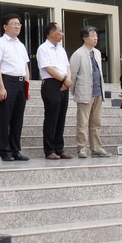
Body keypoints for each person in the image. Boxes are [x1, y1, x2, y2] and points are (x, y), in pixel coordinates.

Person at [0, 13, 31, 161]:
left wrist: (27, 86)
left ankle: (15, 150)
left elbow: (25, 66)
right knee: (5, 118)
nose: (17, 26)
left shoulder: (20, 45)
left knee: (18, 118)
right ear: (5, 26)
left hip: (20, 82)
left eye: (19, 24)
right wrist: (1, 87)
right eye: (14, 23)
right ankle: (5, 150)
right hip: (7, 81)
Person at [69, 26, 111, 158]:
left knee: (96, 122)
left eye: (96, 36)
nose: (96, 38)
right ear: (84, 38)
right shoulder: (78, 54)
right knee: (83, 122)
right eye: (92, 36)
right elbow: (73, 74)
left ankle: (96, 148)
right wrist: (74, 90)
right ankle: (81, 148)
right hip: (84, 92)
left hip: (98, 92)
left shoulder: (97, 53)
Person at [37, 22, 73, 159]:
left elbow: (67, 66)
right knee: (51, 117)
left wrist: (67, 80)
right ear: (52, 32)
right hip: (51, 83)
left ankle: (59, 148)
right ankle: (49, 149)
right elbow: (48, 68)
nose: (62, 34)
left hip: (64, 83)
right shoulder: (43, 48)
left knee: (61, 117)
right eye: (60, 31)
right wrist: (64, 79)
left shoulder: (61, 49)